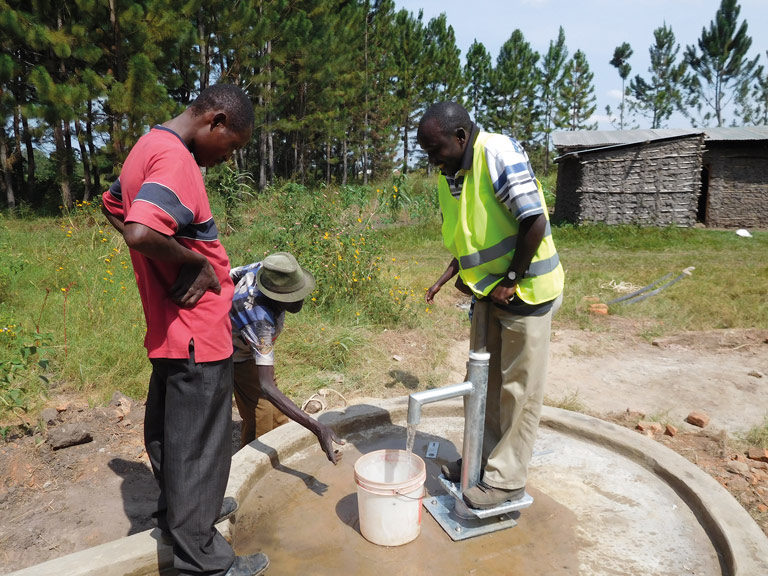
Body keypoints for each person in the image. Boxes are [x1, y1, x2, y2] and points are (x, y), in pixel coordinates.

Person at [101, 84, 268, 576]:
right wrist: (192, 265)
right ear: (214, 121)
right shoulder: (176, 161)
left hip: (171, 328)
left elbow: (113, 206)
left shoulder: (146, 146)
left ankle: (187, 512)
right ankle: (205, 561)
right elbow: (140, 230)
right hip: (198, 332)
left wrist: (163, 268)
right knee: (200, 444)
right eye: (232, 145)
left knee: (171, 432)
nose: (230, 157)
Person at [417, 101, 565, 511]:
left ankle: (507, 480)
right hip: (487, 295)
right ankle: (480, 459)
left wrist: (512, 280)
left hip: (527, 292)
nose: (432, 162)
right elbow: (474, 230)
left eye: (435, 150)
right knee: (483, 385)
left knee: (518, 391)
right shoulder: (455, 172)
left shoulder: (497, 154)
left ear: (460, 137)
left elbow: (533, 219)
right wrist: (453, 271)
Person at [229, 251, 344, 461]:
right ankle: (251, 468)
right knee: (261, 415)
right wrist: (317, 427)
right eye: (293, 296)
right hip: (238, 355)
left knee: (278, 415)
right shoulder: (260, 320)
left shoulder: (268, 269)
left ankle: (282, 457)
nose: (300, 299)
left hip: (252, 349)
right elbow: (266, 386)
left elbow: (230, 274)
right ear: (275, 296)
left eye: (299, 290)